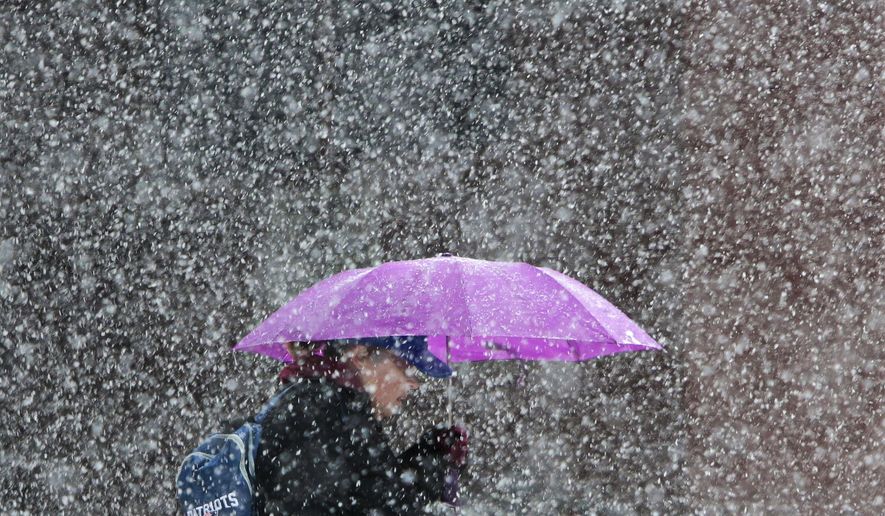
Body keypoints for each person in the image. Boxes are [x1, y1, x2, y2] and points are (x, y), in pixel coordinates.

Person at [252, 337, 468, 515]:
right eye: (405, 365)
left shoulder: (339, 408)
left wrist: (435, 457)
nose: (414, 383)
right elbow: (367, 504)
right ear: (361, 356)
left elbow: (377, 491)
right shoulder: (323, 411)